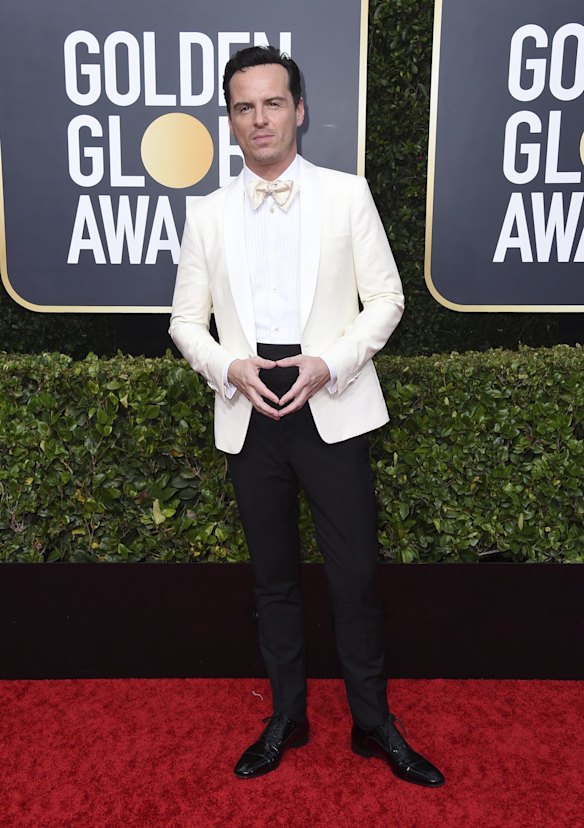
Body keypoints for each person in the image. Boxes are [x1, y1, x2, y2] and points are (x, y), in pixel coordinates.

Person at [169, 45, 444, 788]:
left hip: (331, 402)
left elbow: (386, 299)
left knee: (354, 577)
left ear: (300, 110)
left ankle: (373, 722)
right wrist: (228, 367)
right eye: (244, 107)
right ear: (231, 121)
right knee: (273, 581)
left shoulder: (346, 196)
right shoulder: (208, 213)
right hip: (251, 406)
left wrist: (330, 363)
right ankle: (287, 716)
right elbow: (185, 321)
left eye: (273, 103)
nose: (259, 118)